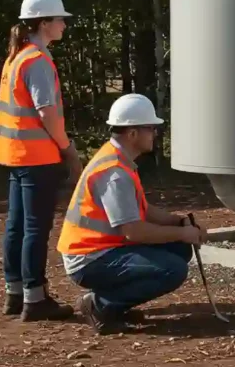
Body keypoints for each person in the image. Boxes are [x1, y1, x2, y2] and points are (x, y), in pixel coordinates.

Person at [57, 93, 208, 334]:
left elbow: (143, 211)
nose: (155, 133)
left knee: (179, 250)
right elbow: (134, 232)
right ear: (133, 133)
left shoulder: (119, 160)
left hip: (99, 251)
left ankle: (115, 303)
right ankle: (101, 305)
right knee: (173, 269)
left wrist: (179, 223)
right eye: (150, 128)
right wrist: (182, 233)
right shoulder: (115, 172)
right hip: (89, 260)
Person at [0, 0, 82, 321]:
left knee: (16, 227)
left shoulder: (17, 56)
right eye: (60, 19)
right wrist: (67, 148)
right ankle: (35, 298)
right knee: (35, 229)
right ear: (44, 23)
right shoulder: (38, 61)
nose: (64, 25)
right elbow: (47, 113)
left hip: (15, 155)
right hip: (37, 157)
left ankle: (15, 294)